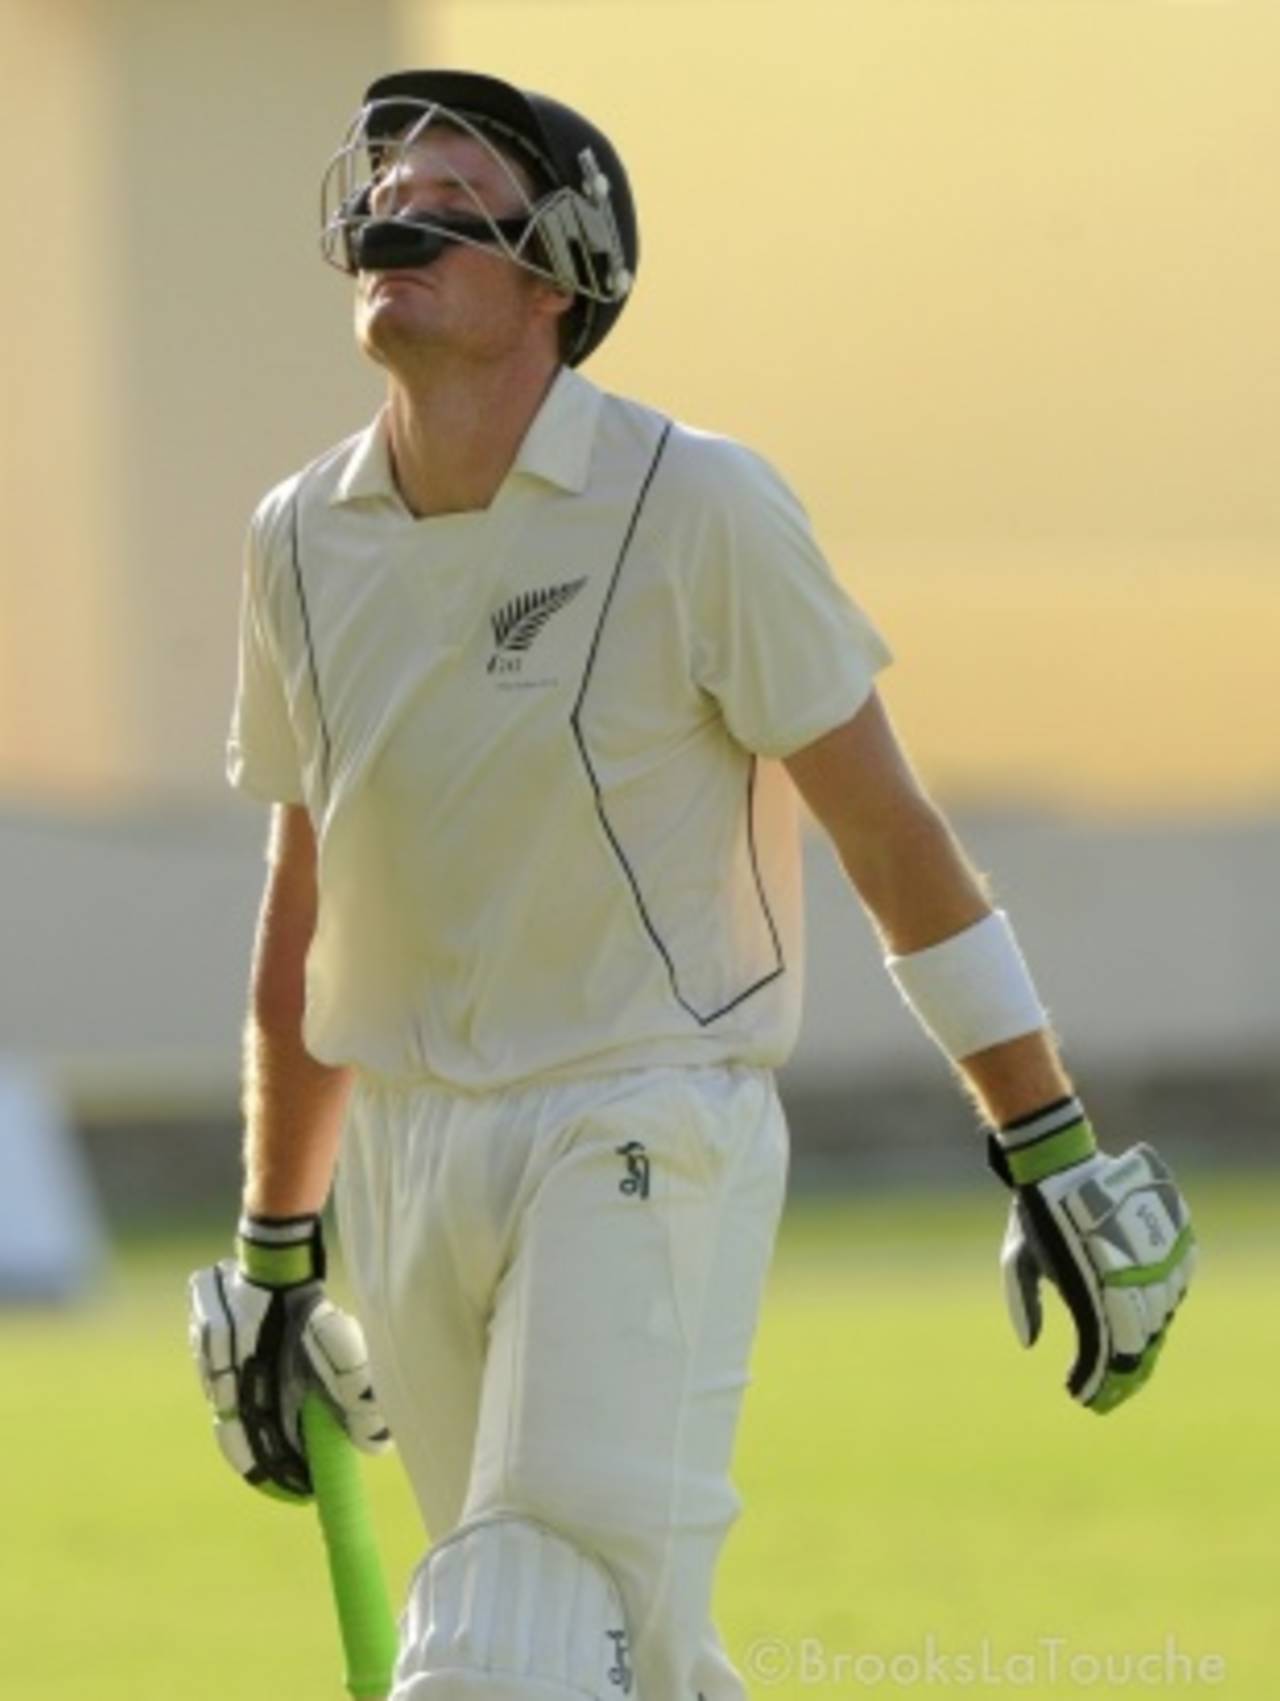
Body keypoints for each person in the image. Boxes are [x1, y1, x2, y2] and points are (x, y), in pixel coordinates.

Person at [188, 69, 1196, 1701]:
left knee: (511, 1635)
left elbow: (889, 835)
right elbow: (309, 914)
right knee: (614, 1654)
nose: (393, 223)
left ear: (558, 272)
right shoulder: (296, 536)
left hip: (644, 1117)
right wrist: (275, 1246)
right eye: (379, 202)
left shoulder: (697, 503)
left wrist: (1050, 1148)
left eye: (445, 205)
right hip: (410, 1156)